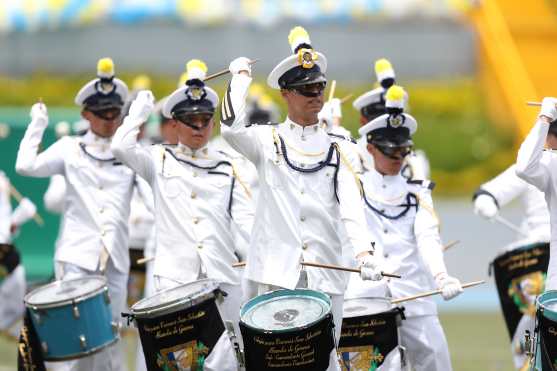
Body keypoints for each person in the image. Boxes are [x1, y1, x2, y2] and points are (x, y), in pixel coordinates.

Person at [219, 26, 384, 370]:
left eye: (318, 87)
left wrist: (364, 252)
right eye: (305, 89)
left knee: (324, 362)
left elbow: (351, 205)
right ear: (285, 93)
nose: (315, 96)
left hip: (326, 273)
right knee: (273, 363)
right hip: (278, 272)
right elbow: (229, 129)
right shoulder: (267, 141)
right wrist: (240, 79)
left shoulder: (340, 147)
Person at [111, 59, 254, 370]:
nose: (199, 128)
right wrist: (139, 111)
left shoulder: (227, 166)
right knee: (179, 363)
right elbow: (120, 147)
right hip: (176, 280)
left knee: (232, 361)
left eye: (205, 121)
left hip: (220, 278)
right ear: (174, 124)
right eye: (191, 121)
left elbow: (248, 223)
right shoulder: (158, 159)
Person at [16, 57, 134, 371]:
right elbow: (25, 166)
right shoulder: (71, 148)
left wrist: (140, 118)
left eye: (115, 113)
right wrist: (37, 124)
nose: (110, 120)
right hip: (78, 256)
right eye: (102, 114)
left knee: (109, 341)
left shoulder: (129, 152)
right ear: (86, 114)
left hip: (116, 259)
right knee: (74, 342)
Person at [347, 85, 463, 371]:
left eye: (402, 151)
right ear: (371, 148)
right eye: (391, 152)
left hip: (414, 294)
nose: (398, 158)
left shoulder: (418, 193)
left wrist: (441, 276)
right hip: (366, 299)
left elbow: (427, 237)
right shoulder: (353, 187)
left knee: (436, 358)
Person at [516, 98, 557, 291]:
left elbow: (524, 167)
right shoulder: (553, 163)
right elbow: (525, 168)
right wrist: (544, 121)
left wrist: (544, 119)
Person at [0, 172, 37, 340]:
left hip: (5, 250)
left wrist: (17, 219)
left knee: (15, 299)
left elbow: (6, 229)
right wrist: (21, 215)